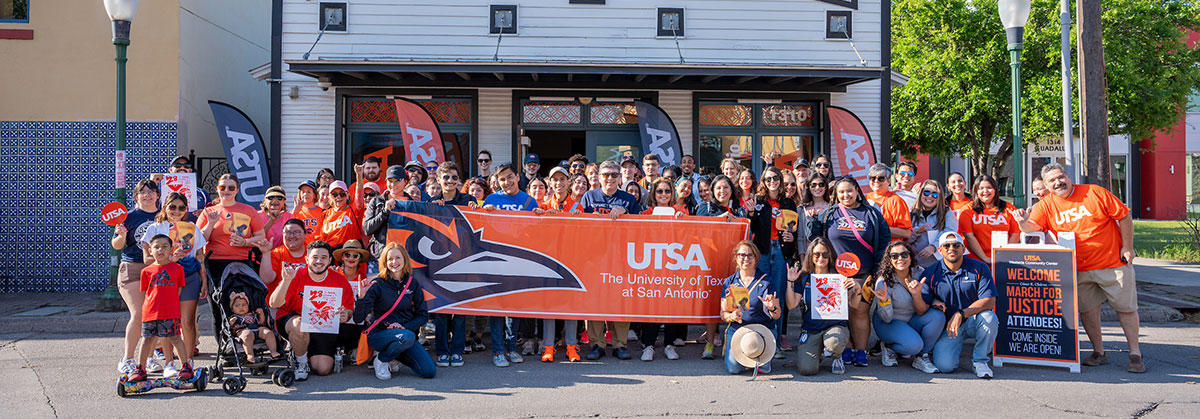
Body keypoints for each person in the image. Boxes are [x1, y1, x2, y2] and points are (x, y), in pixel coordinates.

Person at [1012, 163, 1143, 373]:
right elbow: (1032, 228)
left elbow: (1124, 215)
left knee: (1126, 309)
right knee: (1088, 311)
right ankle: (1099, 352)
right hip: (1078, 268)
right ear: (1046, 185)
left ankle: (1135, 354)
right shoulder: (1045, 205)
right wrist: (1023, 223)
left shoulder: (1094, 192)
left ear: (1067, 176)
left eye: (1060, 177)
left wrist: (1127, 247)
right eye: (1052, 181)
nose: (1058, 182)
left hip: (1112, 263)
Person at [808, 176, 889, 367]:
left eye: (849, 191)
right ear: (836, 193)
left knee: (860, 312)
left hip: (864, 273)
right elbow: (815, 239)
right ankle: (846, 348)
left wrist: (878, 270)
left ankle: (861, 352)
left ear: (857, 191)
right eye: (841, 191)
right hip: (834, 275)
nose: (846, 195)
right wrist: (812, 223)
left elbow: (884, 242)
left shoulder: (871, 213)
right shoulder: (828, 213)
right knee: (839, 314)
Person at [578, 160, 643, 361]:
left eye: (614, 175)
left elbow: (642, 227)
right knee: (595, 303)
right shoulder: (588, 197)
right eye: (605, 174)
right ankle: (597, 344)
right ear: (598, 176)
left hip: (621, 258)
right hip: (594, 258)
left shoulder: (628, 199)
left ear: (620, 178)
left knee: (620, 302)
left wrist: (627, 213)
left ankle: (620, 345)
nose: (609, 179)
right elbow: (576, 224)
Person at [481, 164, 542, 367]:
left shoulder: (528, 200)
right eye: (502, 179)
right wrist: (484, 213)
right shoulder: (491, 200)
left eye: (509, 177)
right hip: (495, 261)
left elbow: (536, 232)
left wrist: (540, 218)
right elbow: (480, 228)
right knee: (497, 308)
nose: (506, 182)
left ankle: (512, 347)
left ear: (517, 176)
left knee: (514, 308)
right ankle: (498, 351)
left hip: (519, 261)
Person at [269, 240, 358, 380]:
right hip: (293, 320)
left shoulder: (340, 280)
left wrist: (345, 314)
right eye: (315, 257)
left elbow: (349, 311)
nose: (319, 261)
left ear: (329, 260)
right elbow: (274, 303)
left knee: (322, 369)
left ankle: (302, 350)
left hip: (322, 325)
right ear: (307, 259)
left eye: (323, 258)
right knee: (299, 324)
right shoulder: (295, 275)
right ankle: (301, 363)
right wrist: (286, 281)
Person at [142, 192, 208, 367]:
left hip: (189, 276)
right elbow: (147, 260)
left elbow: (200, 257)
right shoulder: (154, 228)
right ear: (165, 207)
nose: (176, 211)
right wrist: (170, 258)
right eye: (172, 206)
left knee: (187, 321)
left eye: (181, 207)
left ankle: (188, 362)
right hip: (164, 279)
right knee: (167, 321)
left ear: (186, 209)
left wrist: (205, 282)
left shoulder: (192, 228)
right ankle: (170, 363)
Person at [354, 242, 438, 380]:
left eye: (398, 257)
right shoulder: (377, 284)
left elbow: (422, 316)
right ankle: (381, 359)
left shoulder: (413, 283)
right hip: (379, 334)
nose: (394, 262)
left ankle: (393, 355)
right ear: (385, 262)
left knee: (429, 371)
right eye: (390, 259)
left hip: (404, 336)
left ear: (405, 259)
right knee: (407, 336)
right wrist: (361, 298)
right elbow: (358, 319)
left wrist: (404, 327)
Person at [920, 232, 998, 378]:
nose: (951, 248)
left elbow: (989, 301)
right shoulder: (931, 272)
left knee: (989, 317)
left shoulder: (979, 268)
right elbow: (923, 304)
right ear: (940, 250)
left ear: (963, 248)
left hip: (972, 321)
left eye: (956, 245)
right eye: (946, 245)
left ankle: (980, 360)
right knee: (945, 366)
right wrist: (933, 301)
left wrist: (960, 313)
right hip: (948, 328)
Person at [126, 235, 195, 382]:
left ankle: (185, 366)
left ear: (171, 249)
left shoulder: (177, 269)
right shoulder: (146, 271)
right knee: (147, 340)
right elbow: (147, 293)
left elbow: (178, 291)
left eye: (165, 246)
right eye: (156, 247)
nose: (160, 250)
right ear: (150, 250)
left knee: (175, 338)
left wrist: (170, 305)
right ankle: (140, 368)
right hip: (150, 312)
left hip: (170, 312)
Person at [871, 241, 945, 373]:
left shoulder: (920, 273)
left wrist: (935, 300)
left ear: (911, 257)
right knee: (913, 346)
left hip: (912, 320)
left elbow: (928, 293)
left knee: (937, 316)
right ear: (889, 260)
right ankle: (889, 347)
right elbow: (886, 318)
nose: (900, 259)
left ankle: (922, 356)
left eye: (904, 254)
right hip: (890, 322)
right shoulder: (883, 281)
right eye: (895, 256)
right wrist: (884, 301)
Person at [695, 174, 746, 358]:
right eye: (718, 188)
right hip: (710, 262)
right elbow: (698, 234)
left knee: (736, 302)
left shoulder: (739, 210)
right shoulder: (703, 208)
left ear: (731, 190)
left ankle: (735, 343)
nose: (722, 191)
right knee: (712, 303)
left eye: (726, 188)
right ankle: (709, 344)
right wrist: (718, 220)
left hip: (735, 264)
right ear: (712, 191)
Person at [113, 179, 161, 375]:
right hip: (132, 269)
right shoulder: (129, 217)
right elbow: (116, 245)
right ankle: (127, 359)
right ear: (136, 197)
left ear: (158, 195)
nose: (147, 195)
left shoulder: (163, 216)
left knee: (156, 315)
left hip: (157, 270)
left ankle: (148, 358)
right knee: (139, 314)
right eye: (143, 192)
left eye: (151, 191)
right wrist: (121, 235)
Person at [750, 167, 798, 355]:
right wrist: (752, 213)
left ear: (780, 180)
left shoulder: (788, 203)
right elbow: (751, 227)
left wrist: (791, 238)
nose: (772, 181)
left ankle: (775, 343)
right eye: (768, 178)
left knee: (777, 296)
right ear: (763, 180)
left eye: (776, 178)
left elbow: (794, 230)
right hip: (762, 251)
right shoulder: (758, 201)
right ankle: (760, 341)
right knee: (762, 294)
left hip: (780, 251)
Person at [787, 237, 851, 375]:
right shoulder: (804, 277)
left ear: (830, 255)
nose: (821, 258)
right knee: (807, 370)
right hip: (811, 329)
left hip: (835, 326)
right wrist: (790, 282)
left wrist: (856, 287)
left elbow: (855, 305)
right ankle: (819, 351)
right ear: (811, 256)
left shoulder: (840, 276)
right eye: (817, 254)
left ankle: (836, 356)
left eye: (825, 254)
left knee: (834, 343)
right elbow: (792, 305)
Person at [720, 240, 782, 374]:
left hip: (762, 329)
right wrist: (731, 316)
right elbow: (723, 313)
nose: (746, 258)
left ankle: (757, 354)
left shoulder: (767, 281)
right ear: (736, 258)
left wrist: (771, 308)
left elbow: (777, 315)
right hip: (739, 329)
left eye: (750, 255)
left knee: (761, 367)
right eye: (742, 255)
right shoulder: (729, 282)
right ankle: (750, 356)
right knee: (733, 369)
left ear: (756, 258)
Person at [198, 174, 265, 284]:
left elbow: (261, 236)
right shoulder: (209, 212)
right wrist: (210, 224)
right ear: (217, 189)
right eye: (222, 187)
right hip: (215, 261)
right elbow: (199, 240)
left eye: (231, 188)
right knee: (219, 299)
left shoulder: (249, 210)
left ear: (237, 190)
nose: (226, 191)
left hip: (243, 261)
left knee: (243, 298)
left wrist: (245, 242)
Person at [956, 175, 1017, 265]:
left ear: (995, 189)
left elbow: (1015, 234)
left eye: (989, 187)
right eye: (981, 188)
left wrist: (1004, 255)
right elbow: (969, 237)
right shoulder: (967, 210)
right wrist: (985, 258)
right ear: (976, 191)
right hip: (975, 261)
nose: (985, 191)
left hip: (1002, 261)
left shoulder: (1008, 208)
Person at [363, 165, 411, 268]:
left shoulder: (412, 204)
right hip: (379, 258)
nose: (393, 184)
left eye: (397, 181)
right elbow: (367, 229)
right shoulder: (376, 201)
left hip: (404, 259)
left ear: (405, 182)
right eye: (390, 180)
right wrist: (384, 212)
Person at [909, 180, 959, 269]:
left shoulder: (946, 212)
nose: (930, 196)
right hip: (914, 265)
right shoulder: (912, 213)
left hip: (938, 265)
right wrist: (917, 232)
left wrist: (933, 246)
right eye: (926, 192)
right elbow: (906, 239)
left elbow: (949, 233)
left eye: (935, 194)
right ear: (921, 194)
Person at [257, 219, 308, 298]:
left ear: (305, 234)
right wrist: (266, 253)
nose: (291, 236)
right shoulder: (276, 253)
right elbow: (267, 279)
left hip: (304, 303)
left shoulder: (313, 253)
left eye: (296, 232)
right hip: (279, 304)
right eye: (287, 232)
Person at [228, 292, 281, 363]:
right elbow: (229, 327)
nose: (241, 307)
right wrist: (231, 322)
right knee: (247, 335)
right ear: (232, 309)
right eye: (237, 306)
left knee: (268, 332)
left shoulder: (252, 314)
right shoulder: (234, 317)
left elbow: (261, 322)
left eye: (244, 305)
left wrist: (261, 314)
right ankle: (249, 354)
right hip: (243, 331)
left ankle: (273, 351)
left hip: (257, 329)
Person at [865, 163, 912, 243]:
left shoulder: (896, 201)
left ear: (889, 180)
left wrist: (879, 228)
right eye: (873, 178)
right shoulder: (866, 198)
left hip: (888, 249)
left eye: (881, 178)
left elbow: (907, 233)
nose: (876, 181)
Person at [319, 180, 364, 250]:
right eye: (334, 194)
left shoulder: (354, 210)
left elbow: (359, 195)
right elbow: (320, 238)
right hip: (331, 254)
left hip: (349, 253)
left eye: (342, 194)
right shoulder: (324, 215)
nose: (338, 197)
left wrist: (359, 175)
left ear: (348, 195)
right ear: (330, 197)